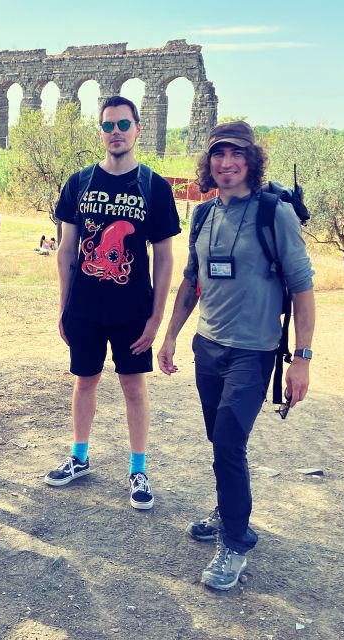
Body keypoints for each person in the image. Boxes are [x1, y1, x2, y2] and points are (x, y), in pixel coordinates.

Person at [157, 121, 315, 590]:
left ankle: (234, 543)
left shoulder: (273, 213)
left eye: (236, 154)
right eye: (218, 154)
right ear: (208, 162)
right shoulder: (204, 216)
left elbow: (303, 288)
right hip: (208, 347)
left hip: (254, 351)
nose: (226, 163)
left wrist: (302, 358)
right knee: (219, 439)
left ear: (251, 159)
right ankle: (231, 508)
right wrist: (170, 336)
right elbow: (191, 281)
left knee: (228, 440)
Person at [44, 95, 181, 510]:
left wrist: (156, 319)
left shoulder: (154, 186)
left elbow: (165, 256)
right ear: (100, 132)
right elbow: (66, 250)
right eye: (108, 126)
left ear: (138, 129)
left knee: (133, 387)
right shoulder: (79, 182)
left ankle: (138, 469)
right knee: (84, 380)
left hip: (131, 309)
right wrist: (64, 307)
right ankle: (79, 457)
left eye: (123, 124)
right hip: (85, 306)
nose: (115, 132)